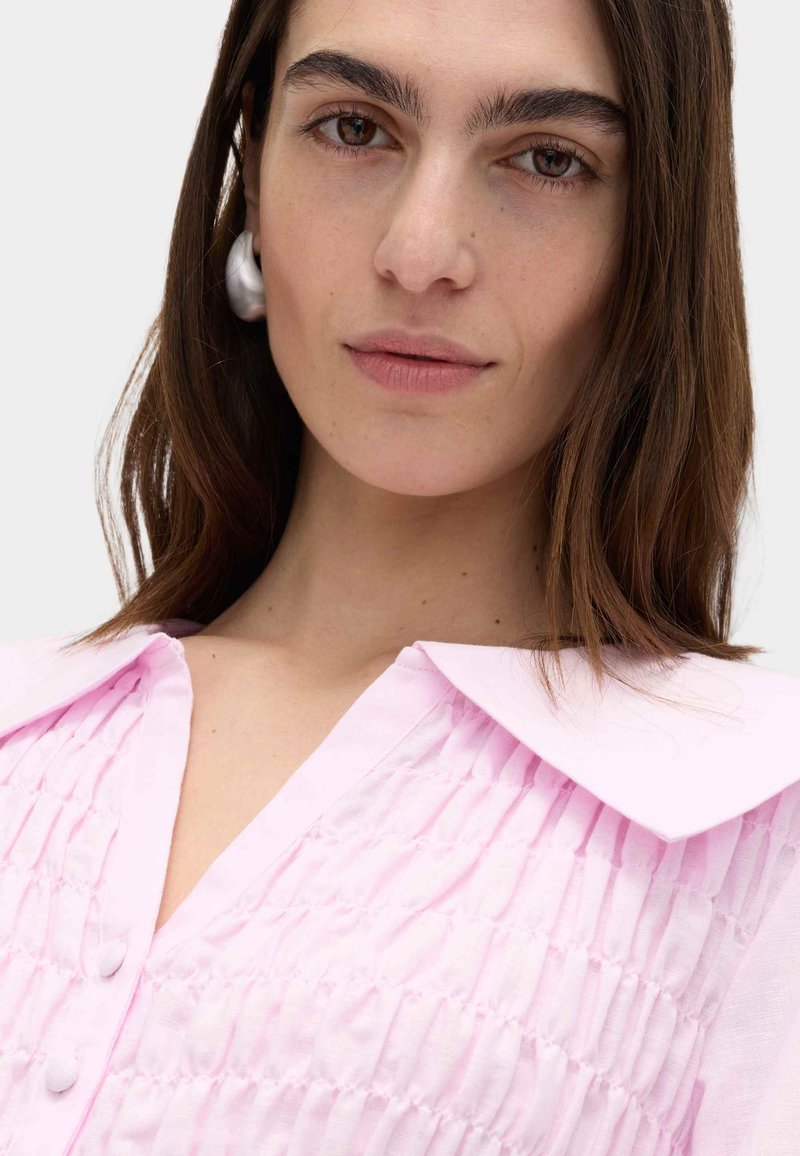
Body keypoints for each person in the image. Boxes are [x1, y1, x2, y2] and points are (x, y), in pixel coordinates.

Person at [1, 0, 797, 1151]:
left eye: (546, 159)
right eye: (354, 129)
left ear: (653, 234)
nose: (420, 253)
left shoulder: (757, 823)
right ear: (250, 169)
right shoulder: (24, 735)